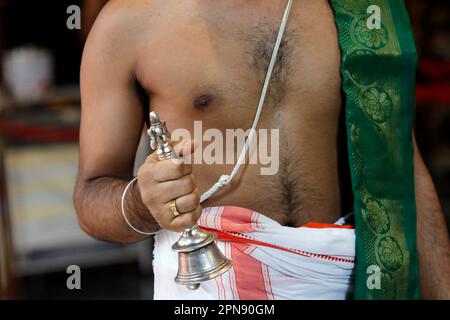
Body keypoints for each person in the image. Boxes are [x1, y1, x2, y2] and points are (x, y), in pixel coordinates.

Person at [75, 0, 450, 299]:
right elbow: (92, 195)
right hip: (210, 288)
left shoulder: (358, 14)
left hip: (348, 281)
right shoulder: (127, 23)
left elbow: (402, 173)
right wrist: (143, 203)